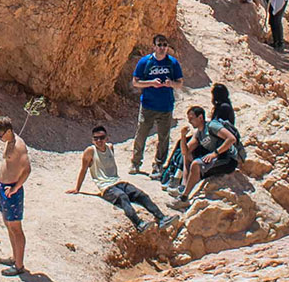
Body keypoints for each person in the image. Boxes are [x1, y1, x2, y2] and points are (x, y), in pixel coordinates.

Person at [69, 125, 169, 231]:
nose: (99, 141)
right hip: (106, 186)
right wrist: (77, 189)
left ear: (107, 138)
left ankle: (162, 217)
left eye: (102, 138)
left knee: (140, 194)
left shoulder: (110, 147)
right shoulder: (90, 151)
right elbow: (84, 170)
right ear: (92, 140)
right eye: (96, 138)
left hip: (118, 181)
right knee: (122, 197)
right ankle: (138, 223)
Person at [130, 34, 184, 175]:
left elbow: (180, 83)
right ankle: (135, 163)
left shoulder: (172, 63)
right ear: (154, 46)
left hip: (166, 106)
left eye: (164, 45)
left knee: (163, 137)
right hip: (148, 105)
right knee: (141, 134)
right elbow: (136, 82)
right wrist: (151, 83)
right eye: (159, 45)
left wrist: (170, 84)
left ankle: (158, 165)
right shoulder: (145, 62)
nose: (162, 48)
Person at [174, 104, 241, 202]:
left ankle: (184, 197)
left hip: (227, 159)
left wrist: (215, 153)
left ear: (200, 117)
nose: (189, 121)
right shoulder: (198, 133)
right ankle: (184, 185)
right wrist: (183, 136)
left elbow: (231, 139)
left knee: (196, 164)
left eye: (191, 118)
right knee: (190, 158)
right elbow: (185, 152)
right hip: (216, 159)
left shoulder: (212, 126)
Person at [0, 116, 30, 276]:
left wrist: (15, 188)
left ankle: (19, 265)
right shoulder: (9, 142)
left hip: (12, 191)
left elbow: (27, 170)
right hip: (4, 188)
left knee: (16, 228)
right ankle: (15, 257)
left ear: (9, 131)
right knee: (8, 224)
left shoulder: (19, 147)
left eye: (0, 136)